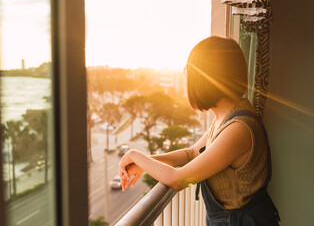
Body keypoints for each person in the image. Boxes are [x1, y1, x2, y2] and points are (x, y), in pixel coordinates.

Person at [119, 36, 280, 226]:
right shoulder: (228, 115)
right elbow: (191, 153)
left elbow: (178, 180)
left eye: (189, 75)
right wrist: (146, 162)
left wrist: (134, 154)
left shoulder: (239, 128)